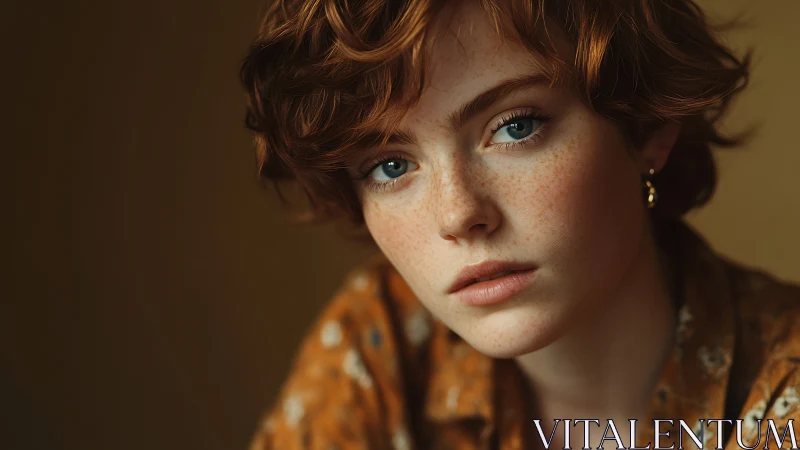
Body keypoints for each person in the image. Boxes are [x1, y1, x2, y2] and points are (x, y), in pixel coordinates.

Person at [239, 0, 800, 448]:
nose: (458, 214)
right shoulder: (382, 345)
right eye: (390, 165)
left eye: (514, 127)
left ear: (650, 124)